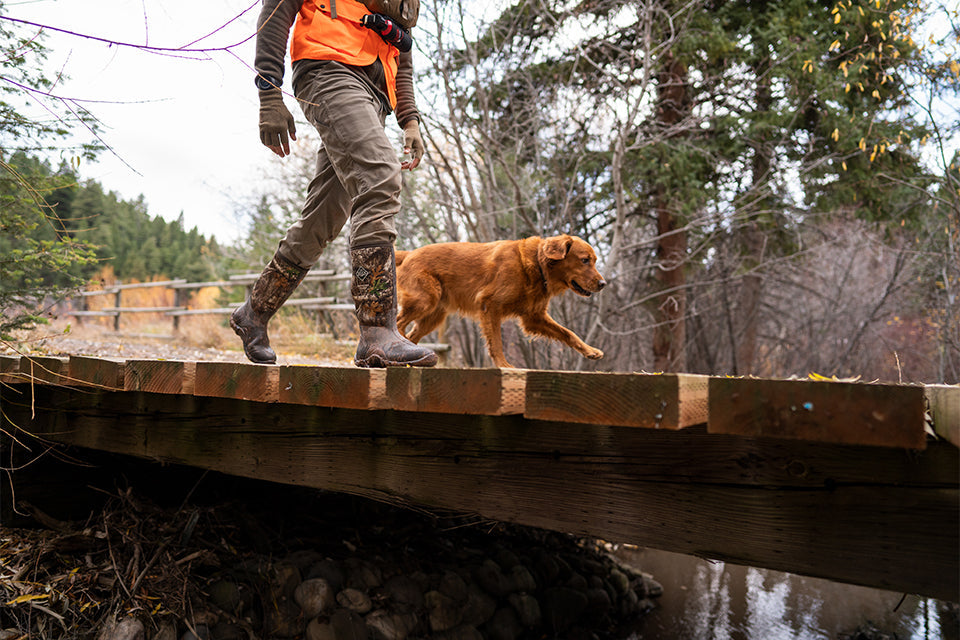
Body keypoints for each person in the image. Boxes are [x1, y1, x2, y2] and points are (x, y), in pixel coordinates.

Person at [230, 0, 438, 368]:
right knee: (379, 177)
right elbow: (277, 13)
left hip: (374, 97)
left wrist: (410, 121)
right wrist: (268, 93)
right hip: (327, 70)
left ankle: (254, 313)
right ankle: (377, 331)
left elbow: (401, 53)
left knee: (322, 218)